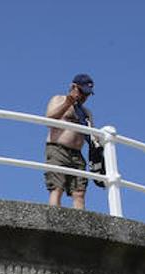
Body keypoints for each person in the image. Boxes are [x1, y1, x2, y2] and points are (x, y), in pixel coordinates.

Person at [43, 74, 95, 209]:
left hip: (77, 155)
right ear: (73, 87)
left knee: (79, 193)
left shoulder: (86, 112)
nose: (84, 97)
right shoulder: (58, 99)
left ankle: (81, 226)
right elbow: (49, 119)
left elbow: (92, 135)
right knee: (57, 188)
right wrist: (67, 103)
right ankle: (54, 221)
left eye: (87, 94)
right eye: (82, 92)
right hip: (58, 149)